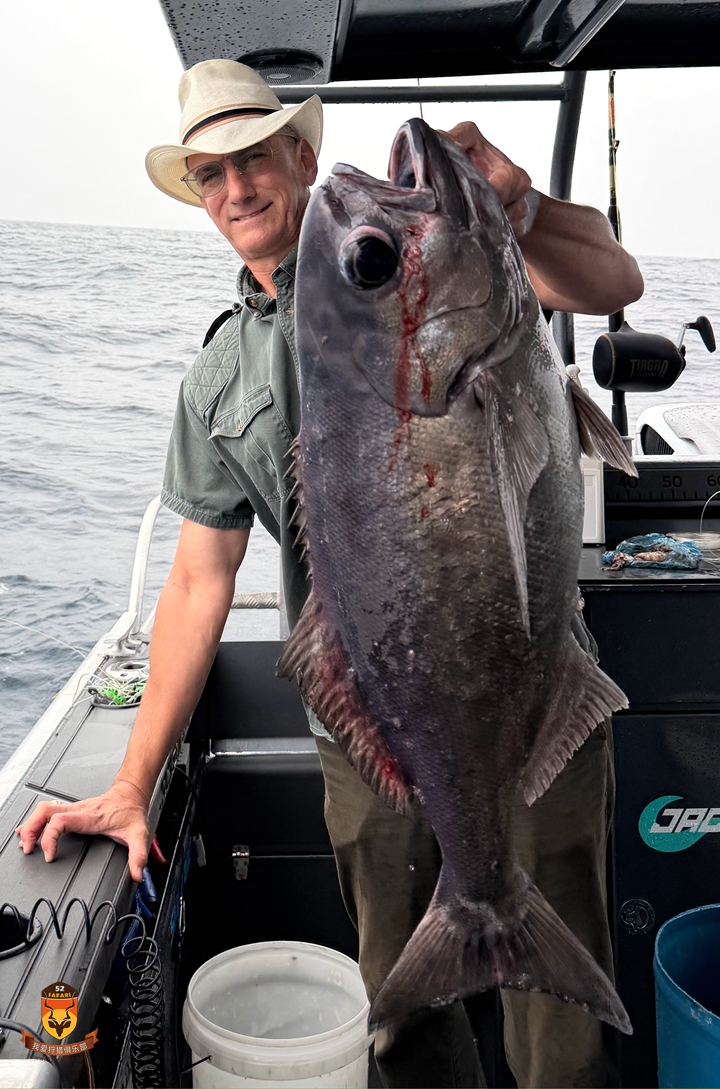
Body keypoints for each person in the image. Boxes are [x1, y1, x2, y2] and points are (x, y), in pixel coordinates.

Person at [16, 59, 643, 1088]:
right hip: (371, 733)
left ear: (301, 156)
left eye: (254, 159)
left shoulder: (433, 273)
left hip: (531, 695)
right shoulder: (219, 376)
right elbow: (196, 581)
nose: (236, 191)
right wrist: (131, 784)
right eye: (210, 175)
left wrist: (517, 209)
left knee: (557, 1033)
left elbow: (614, 280)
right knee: (401, 1016)